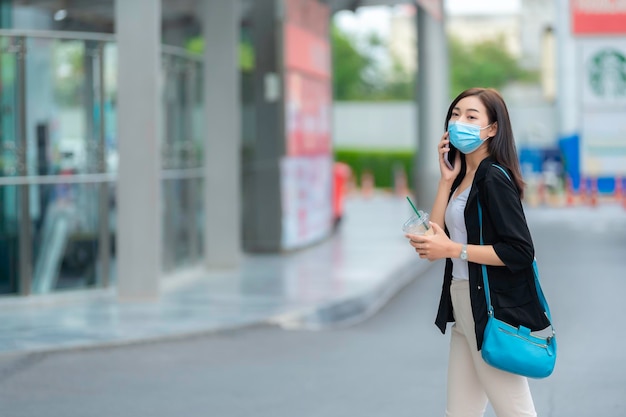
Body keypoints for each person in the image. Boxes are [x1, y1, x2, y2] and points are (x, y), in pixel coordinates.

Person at [406, 88, 550, 417]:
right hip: (464, 304)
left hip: (487, 309)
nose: (460, 122)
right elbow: (435, 238)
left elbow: (520, 251)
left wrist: (453, 249)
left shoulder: (493, 177)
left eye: (471, 117)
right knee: (460, 413)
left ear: (493, 129)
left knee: (516, 413)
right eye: (455, 115)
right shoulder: (464, 178)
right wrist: (445, 181)